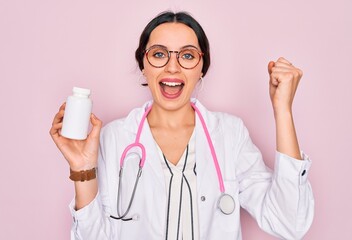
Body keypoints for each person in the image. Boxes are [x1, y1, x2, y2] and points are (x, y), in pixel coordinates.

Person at [50, 11, 314, 240]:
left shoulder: (230, 134)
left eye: (187, 55)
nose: (173, 67)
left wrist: (282, 110)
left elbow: (289, 223)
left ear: (202, 68)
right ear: (143, 65)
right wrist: (82, 170)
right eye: (159, 54)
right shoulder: (114, 138)